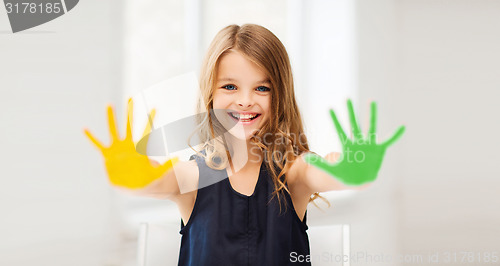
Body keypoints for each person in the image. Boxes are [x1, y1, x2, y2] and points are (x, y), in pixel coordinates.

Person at [84, 24, 405, 266]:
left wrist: (353, 170)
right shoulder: (194, 178)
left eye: (262, 88)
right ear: (211, 94)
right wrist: (132, 173)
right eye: (230, 86)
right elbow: (156, 182)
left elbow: (328, 173)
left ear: (280, 95)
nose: (246, 101)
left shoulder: (293, 173)